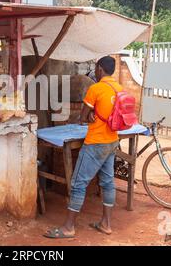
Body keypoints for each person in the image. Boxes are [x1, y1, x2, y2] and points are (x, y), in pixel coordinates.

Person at [44, 56, 122, 238]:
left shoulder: (95, 88)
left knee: (78, 184)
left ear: (100, 69)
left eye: (96, 68)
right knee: (108, 182)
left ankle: (69, 227)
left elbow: (82, 117)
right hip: (112, 141)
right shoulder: (119, 88)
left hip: (95, 142)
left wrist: (90, 115)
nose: (95, 71)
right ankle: (106, 223)